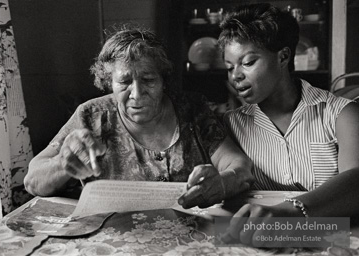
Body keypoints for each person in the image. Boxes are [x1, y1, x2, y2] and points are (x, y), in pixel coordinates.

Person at [24, 26, 254, 208]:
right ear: (108, 83)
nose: (136, 94)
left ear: (164, 80)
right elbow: (33, 181)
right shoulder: (90, 116)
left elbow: (240, 167)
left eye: (148, 80)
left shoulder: (192, 109)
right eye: (124, 82)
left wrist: (222, 184)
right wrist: (63, 165)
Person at [218, 3, 359, 245]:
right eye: (230, 67)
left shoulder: (342, 115)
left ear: (283, 56)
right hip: (259, 246)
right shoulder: (231, 125)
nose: (235, 76)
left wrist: (290, 213)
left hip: (336, 244)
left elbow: (357, 182)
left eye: (248, 62)